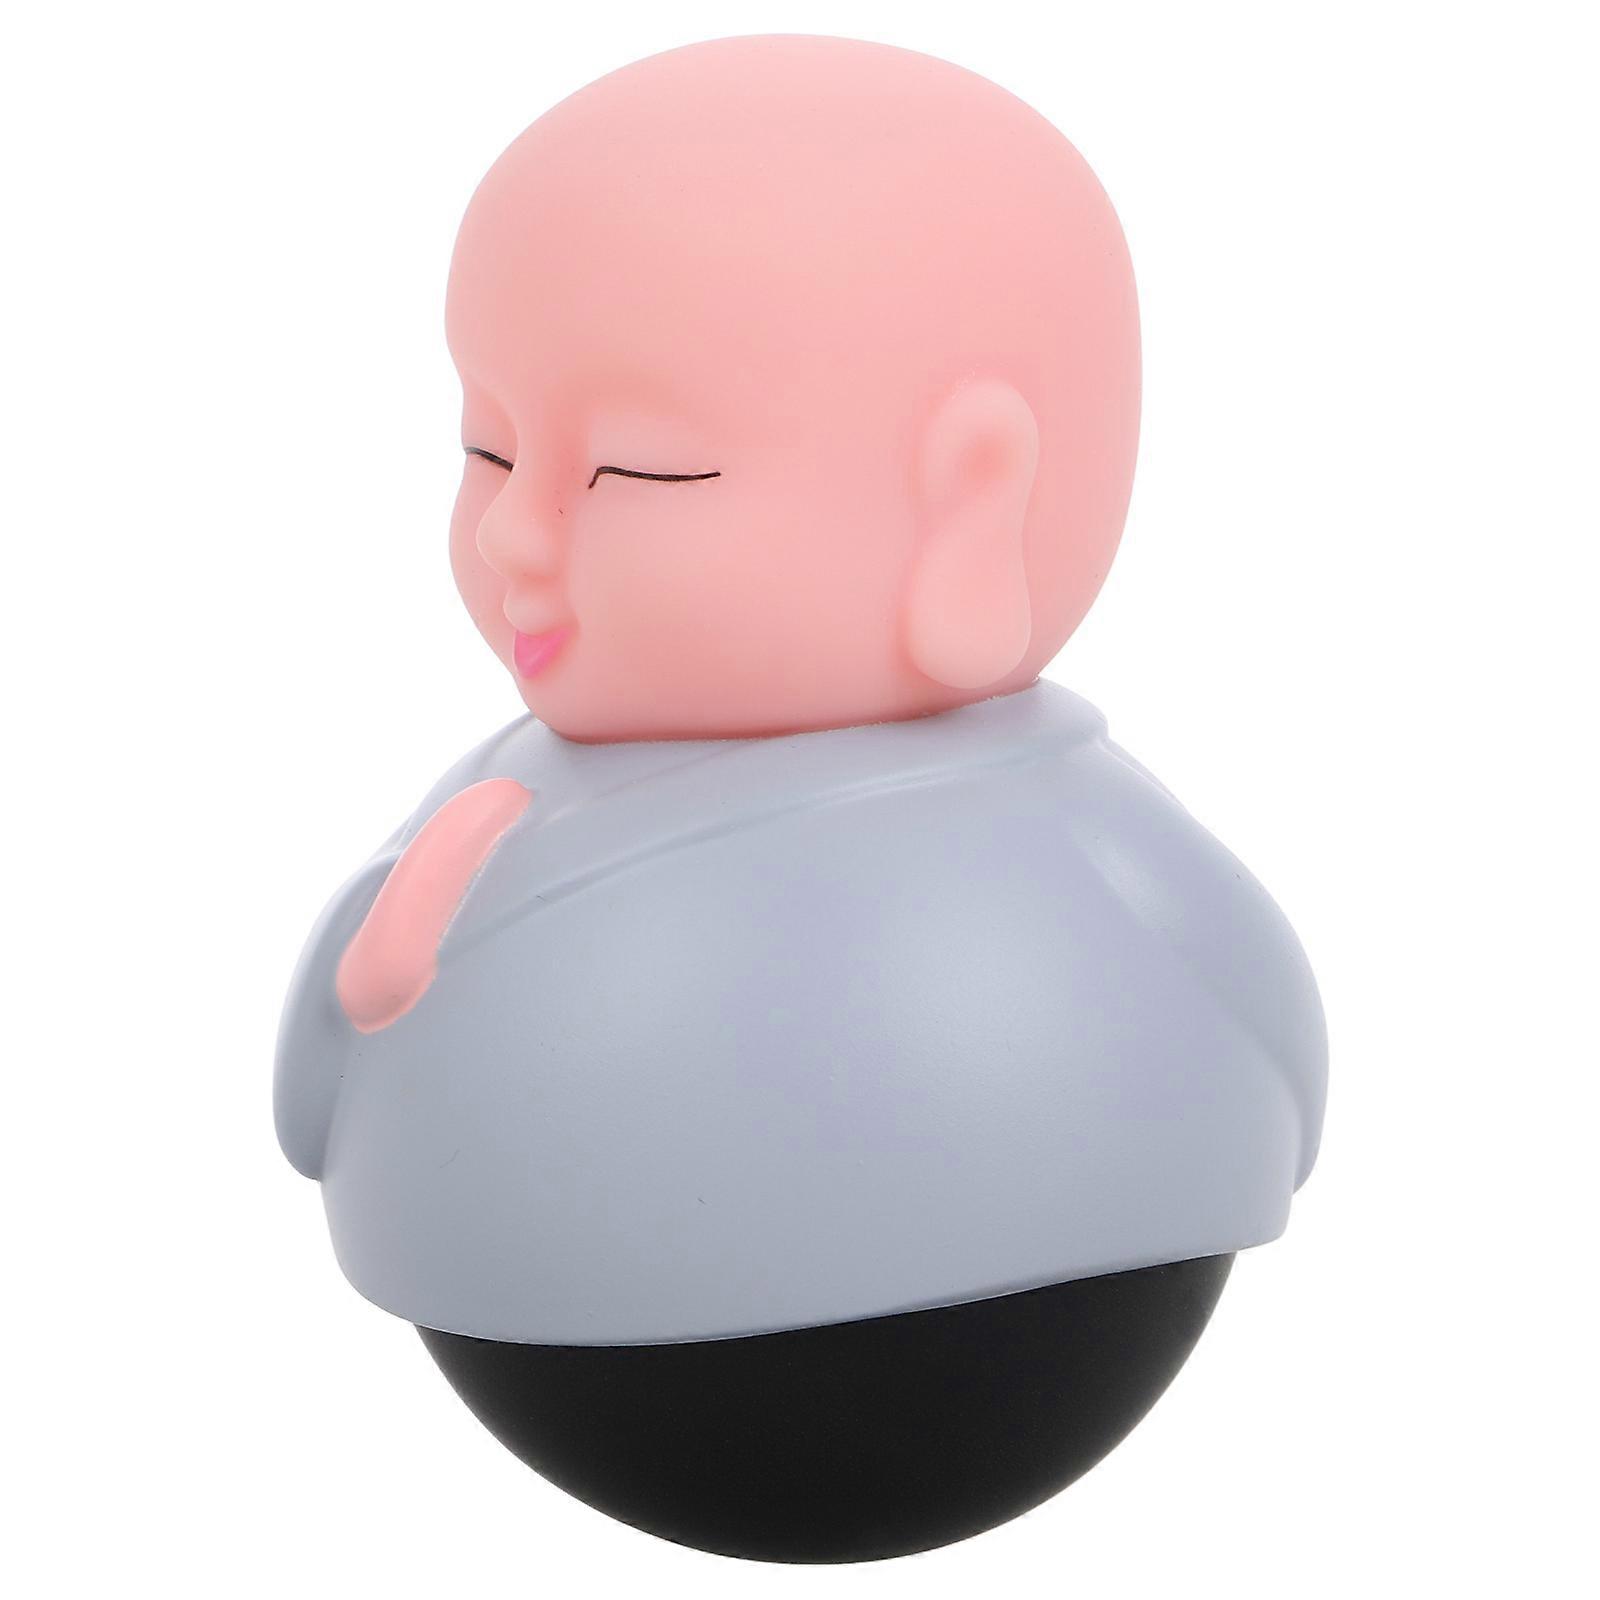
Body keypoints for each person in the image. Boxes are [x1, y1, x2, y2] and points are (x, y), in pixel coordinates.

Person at [276, 35, 1326, 1563]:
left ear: (972, 499)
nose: (514, 533)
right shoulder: (495, 809)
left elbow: (1257, 1009)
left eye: (635, 471)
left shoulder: (1073, 839)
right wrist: (377, 974)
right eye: (488, 448)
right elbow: (321, 1081)